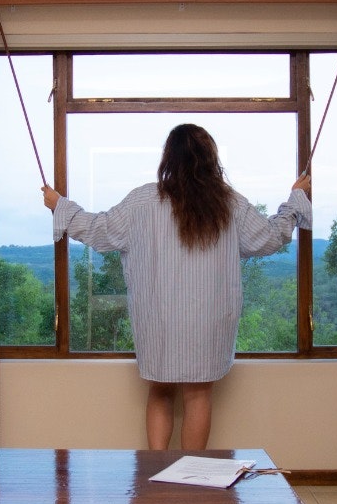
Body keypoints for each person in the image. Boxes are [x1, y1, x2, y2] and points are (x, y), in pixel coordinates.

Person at [42, 123, 312, 450]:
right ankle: (190, 473)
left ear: (168, 157)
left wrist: (60, 205)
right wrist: (294, 200)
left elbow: (98, 229)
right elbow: (269, 237)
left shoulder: (143, 200)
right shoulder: (229, 202)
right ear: (211, 158)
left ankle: (157, 470)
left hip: (159, 317)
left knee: (160, 390)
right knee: (198, 394)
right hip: (208, 318)